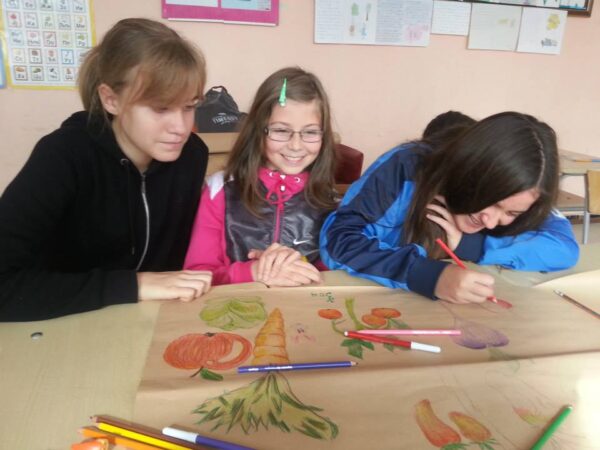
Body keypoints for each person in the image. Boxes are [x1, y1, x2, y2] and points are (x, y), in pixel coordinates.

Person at [0, 18, 212, 322]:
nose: (180, 127)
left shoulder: (192, 156)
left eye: (189, 107)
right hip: (63, 323)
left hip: (152, 321)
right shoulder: (63, 156)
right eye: (161, 108)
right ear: (111, 99)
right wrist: (133, 285)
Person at [320, 112, 579, 304]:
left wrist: (470, 245)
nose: (491, 222)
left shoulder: (529, 190)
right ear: (470, 171)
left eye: (512, 213)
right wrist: (427, 276)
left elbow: (564, 249)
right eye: (491, 200)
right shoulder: (406, 168)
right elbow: (338, 240)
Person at [184, 67, 338, 287]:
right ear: (258, 130)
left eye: (311, 132)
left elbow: (332, 272)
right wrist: (254, 272)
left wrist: (297, 267)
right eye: (281, 130)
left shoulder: (328, 197)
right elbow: (196, 273)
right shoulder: (220, 189)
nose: (296, 145)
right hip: (235, 305)